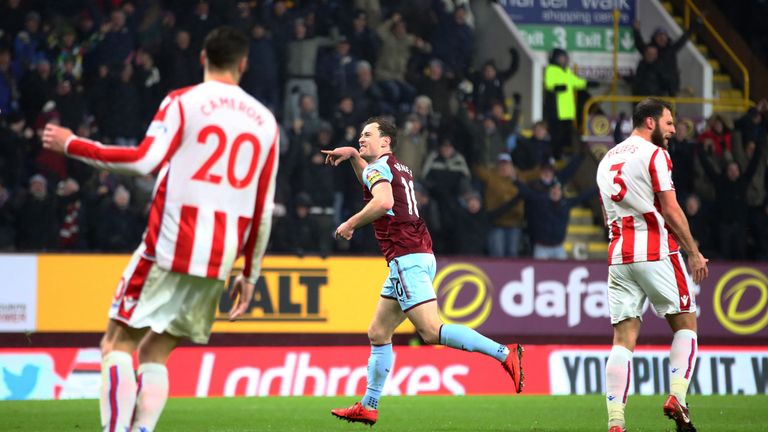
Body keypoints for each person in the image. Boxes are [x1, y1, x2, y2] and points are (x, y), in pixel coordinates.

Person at [41, 26, 279, 432]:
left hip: (169, 247)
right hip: (217, 260)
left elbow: (142, 160)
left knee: (117, 345)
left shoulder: (183, 102)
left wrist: (73, 144)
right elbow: (263, 210)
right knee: (154, 353)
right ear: (244, 64)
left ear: (203, 58)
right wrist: (249, 274)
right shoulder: (266, 122)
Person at [322, 117, 523, 426]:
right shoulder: (397, 167)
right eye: (360, 135)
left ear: (385, 141)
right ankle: (369, 405)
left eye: (367, 135)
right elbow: (375, 183)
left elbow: (383, 200)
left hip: (405, 257)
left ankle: (503, 353)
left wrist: (350, 223)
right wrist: (352, 154)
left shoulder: (379, 169)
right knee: (378, 332)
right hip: (419, 254)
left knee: (431, 331)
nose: (362, 139)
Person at [595, 98, 708, 432]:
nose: (673, 130)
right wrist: (694, 251)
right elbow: (671, 210)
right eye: (669, 123)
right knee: (686, 324)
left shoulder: (607, 160)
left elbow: (606, 217)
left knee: (622, 339)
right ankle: (678, 397)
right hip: (655, 250)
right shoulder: (655, 154)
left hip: (618, 256)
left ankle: (616, 421)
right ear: (650, 122)